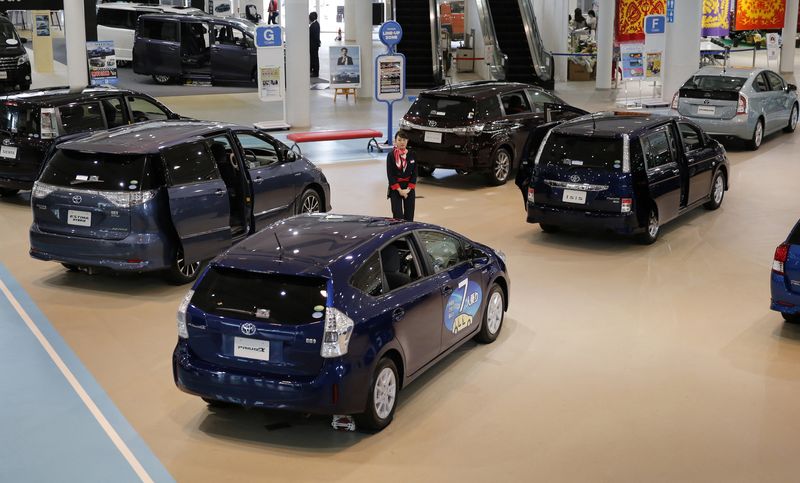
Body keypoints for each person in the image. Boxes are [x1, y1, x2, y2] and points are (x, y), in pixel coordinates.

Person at [386, 131, 417, 221]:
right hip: (396, 188)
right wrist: (400, 190)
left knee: (409, 216)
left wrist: (408, 189)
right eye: (399, 140)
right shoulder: (391, 155)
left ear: (407, 141)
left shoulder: (412, 154)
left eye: (404, 140)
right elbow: (390, 175)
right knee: (397, 216)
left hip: (409, 188)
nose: (402, 142)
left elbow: (415, 173)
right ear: (395, 141)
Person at [309, 12, 321, 77]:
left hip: (313, 45)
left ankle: (315, 72)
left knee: (314, 58)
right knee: (314, 58)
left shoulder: (313, 26)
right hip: (315, 45)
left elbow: (313, 36)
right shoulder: (316, 24)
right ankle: (314, 71)